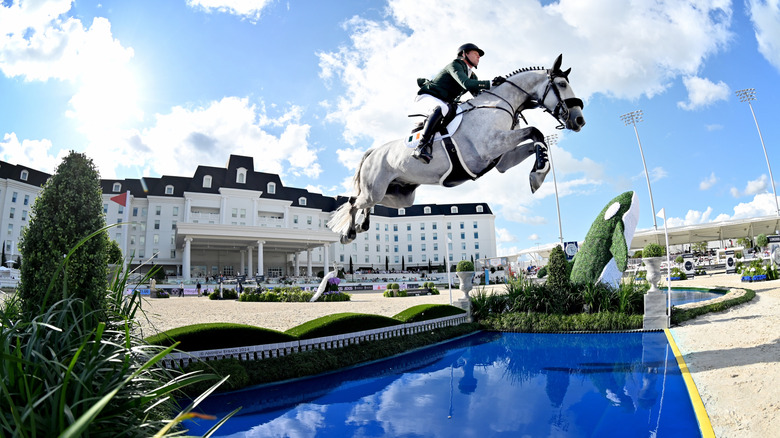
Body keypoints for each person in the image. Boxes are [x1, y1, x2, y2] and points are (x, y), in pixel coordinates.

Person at [412, 43, 506, 164]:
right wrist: (491, 82)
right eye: (476, 54)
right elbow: (466, 84)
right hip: (428, 97)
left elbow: (479, 96)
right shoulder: (455, 65)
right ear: (464, 54)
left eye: (479, 56)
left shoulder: (472, 75)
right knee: (442, 108)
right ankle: (421, 146)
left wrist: (499, 90)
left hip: (445, 103)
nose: (479, 57)